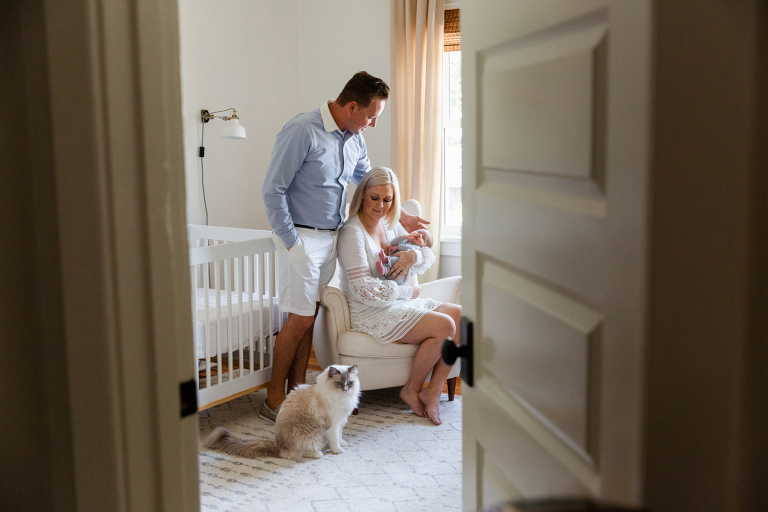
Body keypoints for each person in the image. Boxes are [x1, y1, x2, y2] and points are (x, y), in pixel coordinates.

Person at [260, 72, 428, 422]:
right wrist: (292, 243)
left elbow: (370, 183)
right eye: (371, 115)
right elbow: (272, 190)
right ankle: (274, 399)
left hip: (332, 238)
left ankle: (297, 392)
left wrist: (402, 220)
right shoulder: (303, 130)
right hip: (301, 237)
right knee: (299, 319)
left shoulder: (355, 140)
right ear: (352, 105)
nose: (373, 123)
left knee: (311, 316)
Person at [337, 167, 461, 425]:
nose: (380, 205)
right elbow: (363, 289)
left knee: (461, 318)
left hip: (397, 303)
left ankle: (434, 390)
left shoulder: (384, 224)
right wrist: (407, 291)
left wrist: (414, 253)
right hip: (371, 310)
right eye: (374, 197)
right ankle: (411, 389)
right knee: (445, 326)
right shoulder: (352, 233)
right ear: (362, 195)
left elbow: (417, 258)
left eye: (387, 199)